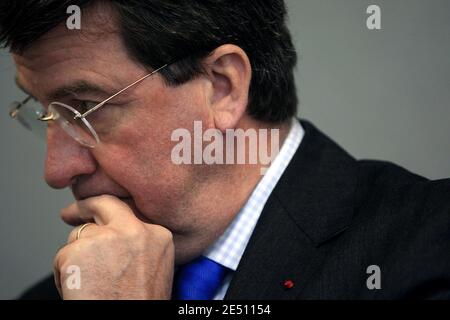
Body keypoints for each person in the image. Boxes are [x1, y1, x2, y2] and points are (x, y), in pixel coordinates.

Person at [0, 0, 449, 300]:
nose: (56, 170)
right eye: (46, 112)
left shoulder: (430, 248)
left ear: (222, 88)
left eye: (83, 109)